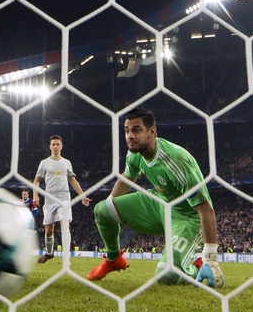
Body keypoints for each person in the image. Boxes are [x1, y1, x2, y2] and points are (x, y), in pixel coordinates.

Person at [87, 107, 224, 288]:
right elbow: (128, 177)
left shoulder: (176, 160)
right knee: (103, 209)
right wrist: (110, 203)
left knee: (165, 276)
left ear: (152, 132)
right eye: (127, 131)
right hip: (159, 203)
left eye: (136, 130)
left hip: (187, 217)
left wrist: (211, 258)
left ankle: (194, 268)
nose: (130, 136)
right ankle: (114, 259)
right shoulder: (135, 154)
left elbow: (205, 209)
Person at [32, 135, 91, 264]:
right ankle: (49, 253)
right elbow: (36, 181)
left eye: (57, 144)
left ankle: (66, 259)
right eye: (53, 144)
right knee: (49, 231)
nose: (55, 147)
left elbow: (73, 180)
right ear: (50, 147)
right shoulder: (44, 163)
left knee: (65, 225)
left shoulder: (66, 163)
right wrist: (35, 195)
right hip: (50, 199)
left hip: (64, 197)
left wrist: (82, 196)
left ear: (61, 146)